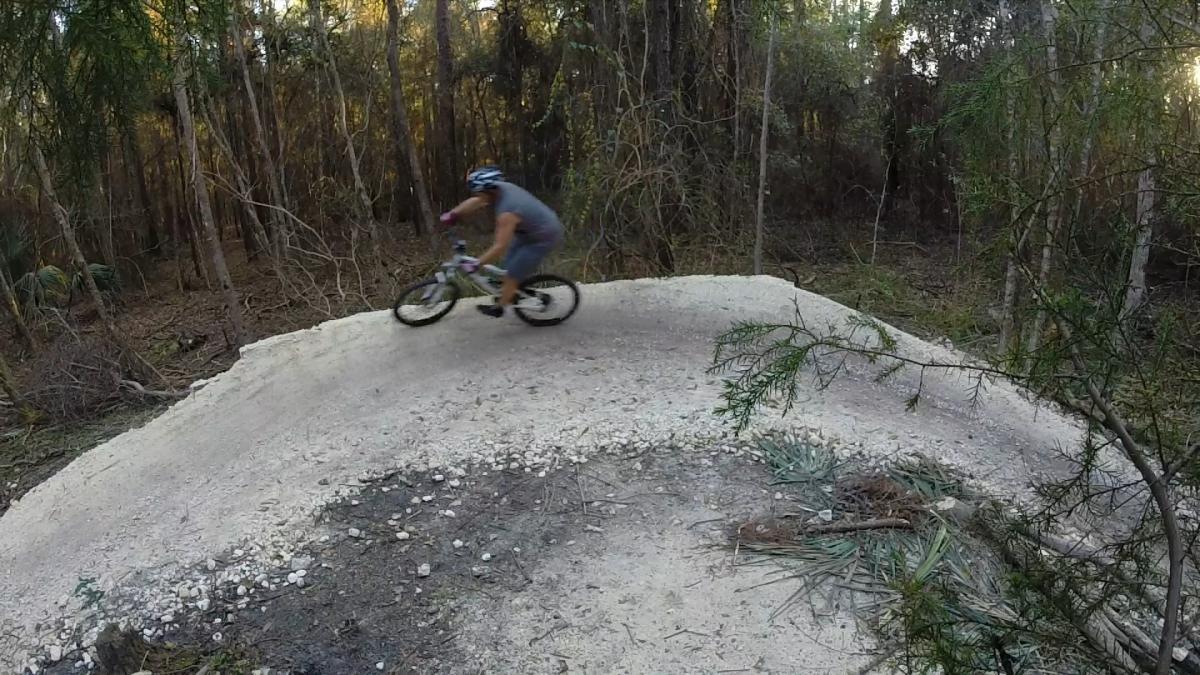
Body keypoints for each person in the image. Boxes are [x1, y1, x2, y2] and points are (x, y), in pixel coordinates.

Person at [439, 167, 565, 317]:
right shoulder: (499, 188)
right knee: (507, 266)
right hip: (528, 231)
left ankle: (500, 307)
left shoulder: (507, 211)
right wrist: (454, 214)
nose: (477, 195)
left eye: (478, 192)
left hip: (543, 237)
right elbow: (478, 201)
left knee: (513, 272)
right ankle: (511, 290)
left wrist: (476, 264)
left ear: (488, 191)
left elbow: (500, 246)